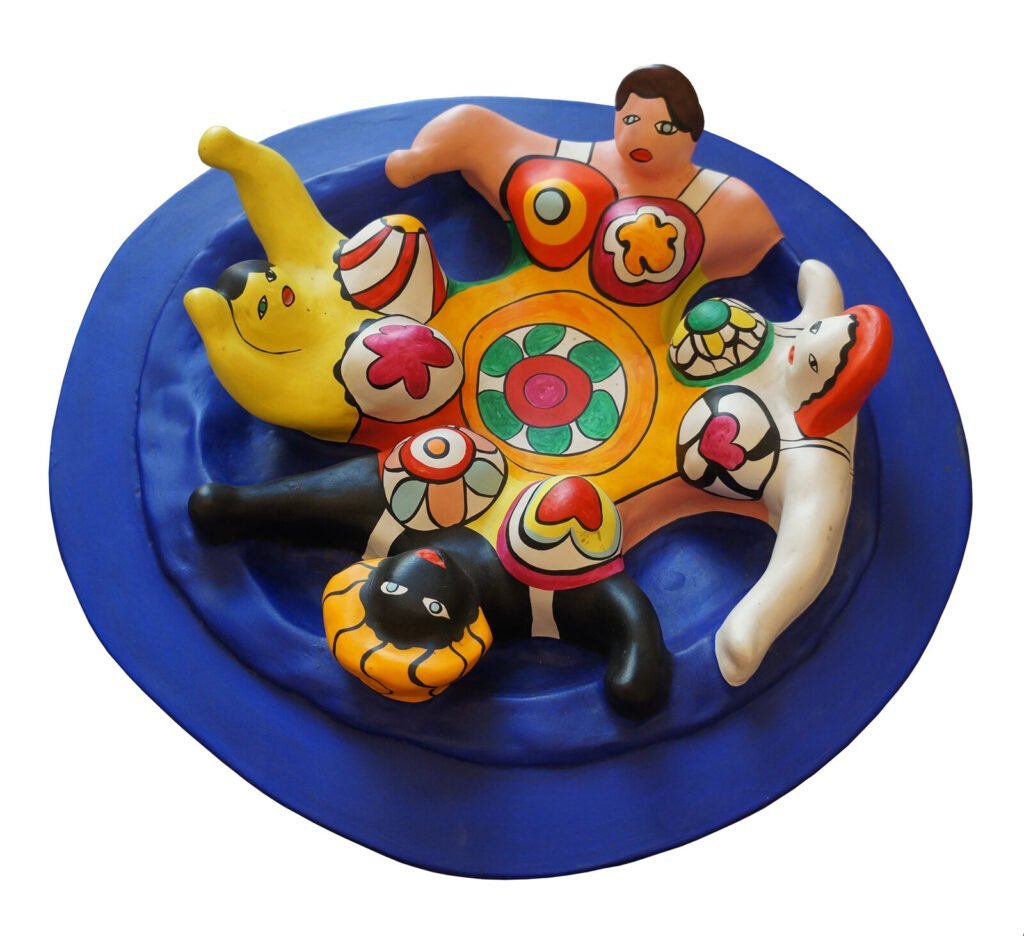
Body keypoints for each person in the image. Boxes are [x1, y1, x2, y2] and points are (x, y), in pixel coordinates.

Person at [386, 65, 782, 298]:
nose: (641, 137)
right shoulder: (569, 161)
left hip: (634, 348)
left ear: (692, 135)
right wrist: (421, 158)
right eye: (631, 119)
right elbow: (474, 126)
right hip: (507, 305)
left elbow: (777, 261)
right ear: (617, 117)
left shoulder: (724, 202)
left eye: (664, 127)